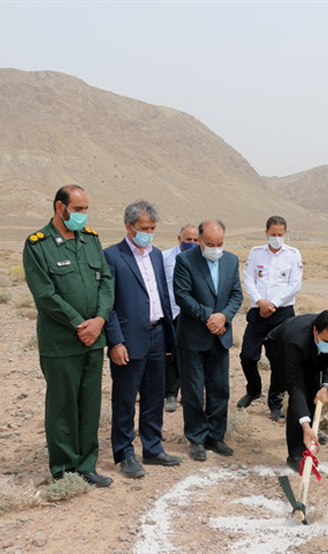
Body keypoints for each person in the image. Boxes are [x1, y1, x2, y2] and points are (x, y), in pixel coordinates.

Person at [22, 184, 114, 487]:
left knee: (89, 404)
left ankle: (86, 465)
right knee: (62, 405)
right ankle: (63, 469)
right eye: (78, 209)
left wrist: (99, 320)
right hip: (61, 342)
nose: (83, 215)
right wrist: (80, 324)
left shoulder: (90, 241)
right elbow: (45, 295)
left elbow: (106, 282)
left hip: (93, 339)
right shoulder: (38, 245)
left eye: (86, 209)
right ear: (60, 208)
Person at [103, 201, 182, 478]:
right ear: (129, 227)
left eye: (153, 228)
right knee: (125, 398)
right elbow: (107, 304)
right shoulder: (112, 256)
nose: (149, 232)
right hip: (128, 339)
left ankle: (153, 448)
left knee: (153, 396)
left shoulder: (157, 255)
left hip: (158, 334)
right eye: (144, 228)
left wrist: (169, 340)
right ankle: (125, 453)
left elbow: (162, 294)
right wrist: (115, 342)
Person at [173, 219, 243, 461]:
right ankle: (197, 438)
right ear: (200, 241)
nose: (216, 248)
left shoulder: (231, 260)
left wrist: (223, 317)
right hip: (192, 338)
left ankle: (216, 436)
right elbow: (182, 296)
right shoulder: (185, 261)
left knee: (219, 389)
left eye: (220, 243)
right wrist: (210, 318)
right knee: (193, 391)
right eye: (210, 243)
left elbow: (236, 294)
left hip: (220, 337)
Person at [237, 216, 303, 421]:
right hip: (259, 313)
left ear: (286, 233)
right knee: (247, 356)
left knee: (279, 361)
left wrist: (273, 302)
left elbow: (295, 284)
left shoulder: (293, 254)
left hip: (282, 313)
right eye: (272, 234)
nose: (276, 238)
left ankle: (275, 403)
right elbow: (248, 278)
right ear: (266, 232)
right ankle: (254, 389)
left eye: (280, 234)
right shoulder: (256, 253)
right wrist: (260, 301)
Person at [264, 310, 328, 470]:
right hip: (278, 345)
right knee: (298, 394)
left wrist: (326, 386)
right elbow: (295, 387)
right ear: (315, 330)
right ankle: (295, 453)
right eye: (326, 341)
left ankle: (309, 432)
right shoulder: (296, 342)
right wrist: (304, 424)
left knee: (314, 390)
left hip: (309, 349)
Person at [162, 224, 200, 412]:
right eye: (188, 240)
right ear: (179, 239)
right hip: (171, 312)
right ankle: (170, 393)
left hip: (192, 314)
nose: (192, 243)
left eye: (195, 240)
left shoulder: (201, 258)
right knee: (169, 354)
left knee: (190, 355)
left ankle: (189, 394)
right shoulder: (165, 257)